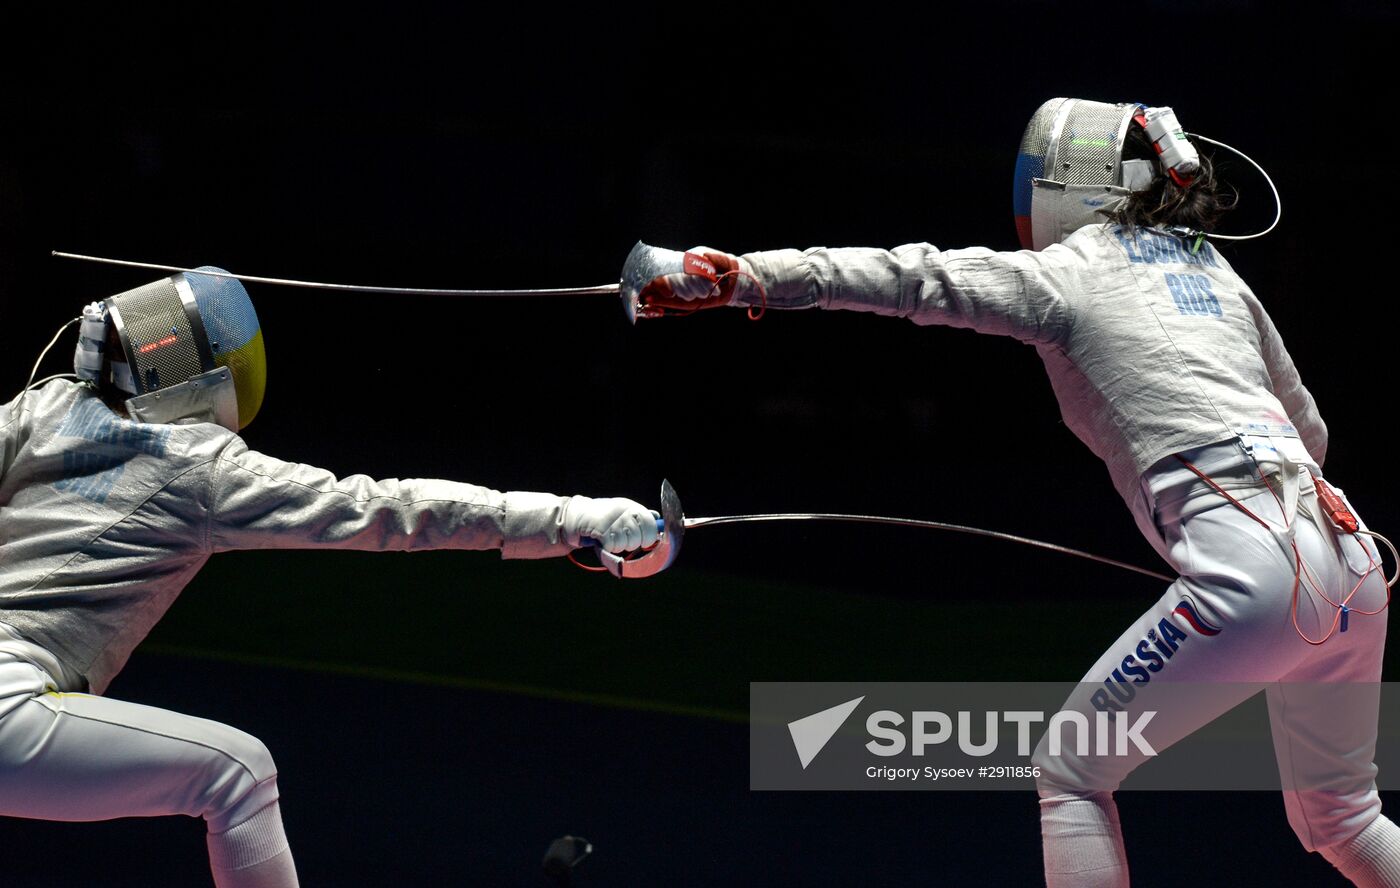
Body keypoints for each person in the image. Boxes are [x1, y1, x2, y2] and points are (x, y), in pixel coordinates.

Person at [638, 98, 1397, 887]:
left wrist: (749, 278)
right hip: (1353, 562)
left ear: (1065, 184)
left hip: (1255, 574)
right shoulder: (1213, 267)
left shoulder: (1070, 276)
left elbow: (910, 277)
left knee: (1072, 771)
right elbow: (1310, 438)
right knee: (1346, 821)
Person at [0, 268, 659, 888]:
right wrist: (572, 518)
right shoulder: (200, 466)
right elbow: (386, 509)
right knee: (238, 777)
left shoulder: (47, 406)